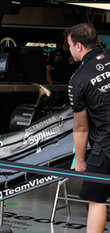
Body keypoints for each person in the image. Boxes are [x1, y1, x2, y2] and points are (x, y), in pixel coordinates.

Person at [65, 23, 110, 233]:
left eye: (70, 46)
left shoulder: (78, 79)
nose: (70, 50)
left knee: (96, 199)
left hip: (105, 146)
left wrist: (81, 160)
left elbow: (81, 125)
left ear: (79, 46)